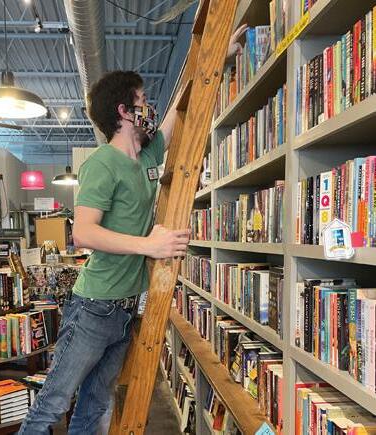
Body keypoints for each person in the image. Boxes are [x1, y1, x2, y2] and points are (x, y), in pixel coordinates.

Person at [19, 27, 246, 435]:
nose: (149, 108)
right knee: (52, 404)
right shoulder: (102, 163)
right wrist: (150, 245)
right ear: (125, 111)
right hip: (94, 306)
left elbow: (179, 109)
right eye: (142, 101)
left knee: (95, 405)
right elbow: (83, 234)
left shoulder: (146, 156)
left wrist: (217, 58)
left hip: (124, 308)